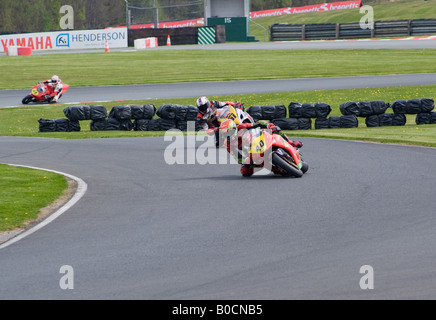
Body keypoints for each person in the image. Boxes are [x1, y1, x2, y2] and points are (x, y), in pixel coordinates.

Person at [221, 119, 303, 177]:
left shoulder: (241, 127)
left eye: (230, 132)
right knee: (245, 172)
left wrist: (268, 125)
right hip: (250, 153)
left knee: (276, 129)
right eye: (225, 134)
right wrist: (245, 161)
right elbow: (236, 157)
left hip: (258, 139)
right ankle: (277, 169)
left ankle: (290, 142)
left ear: (234, 129)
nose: (228, 136)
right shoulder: (227, 144)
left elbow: (257, 123)